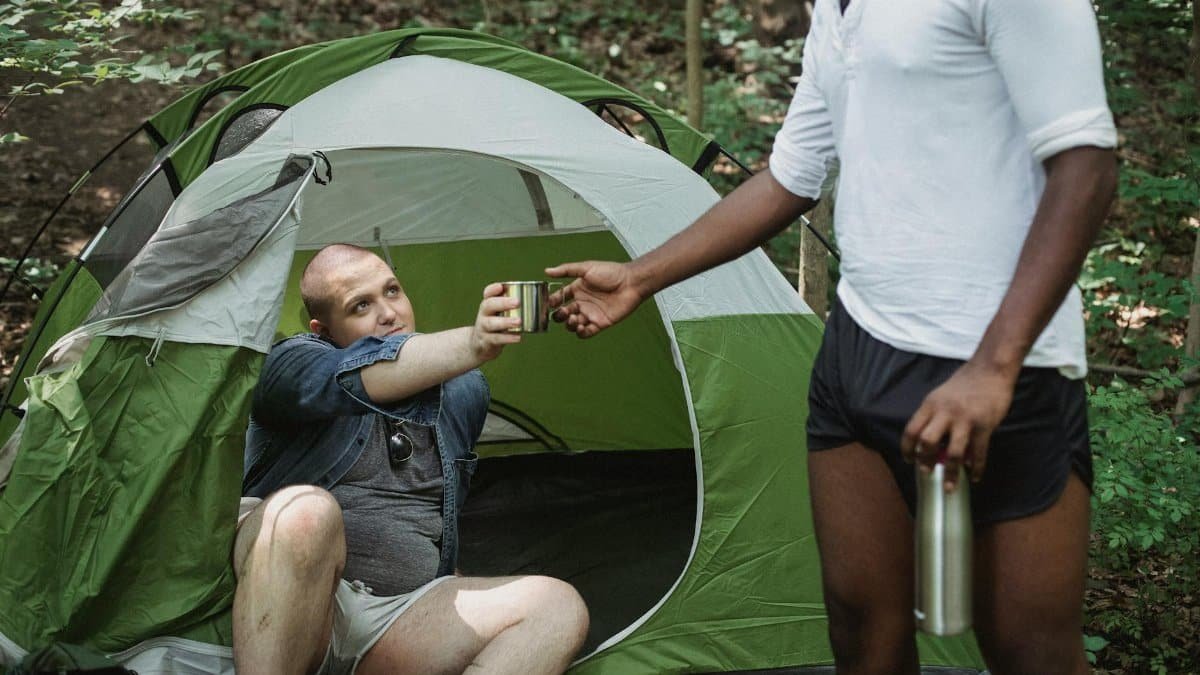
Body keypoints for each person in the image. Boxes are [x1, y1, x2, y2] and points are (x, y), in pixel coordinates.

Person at [546, 1, 1117, 674]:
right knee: (859, 629)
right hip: (858, 352)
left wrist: (995, 368)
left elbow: (1087, 165)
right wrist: (641, 277)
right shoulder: (836, 9)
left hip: (992, 369)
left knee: (1031, 652)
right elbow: (791, 178)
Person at [233, 244, 589, 675]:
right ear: (323, 329)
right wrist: (475, 341)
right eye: (361, 305)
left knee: (556, 606)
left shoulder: (462, 390)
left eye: (393, 291)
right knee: (306, 512)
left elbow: (436, 511)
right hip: (295, 609)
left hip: (397, 618)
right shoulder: (289, 364)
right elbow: (358, 374)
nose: (389, 313)